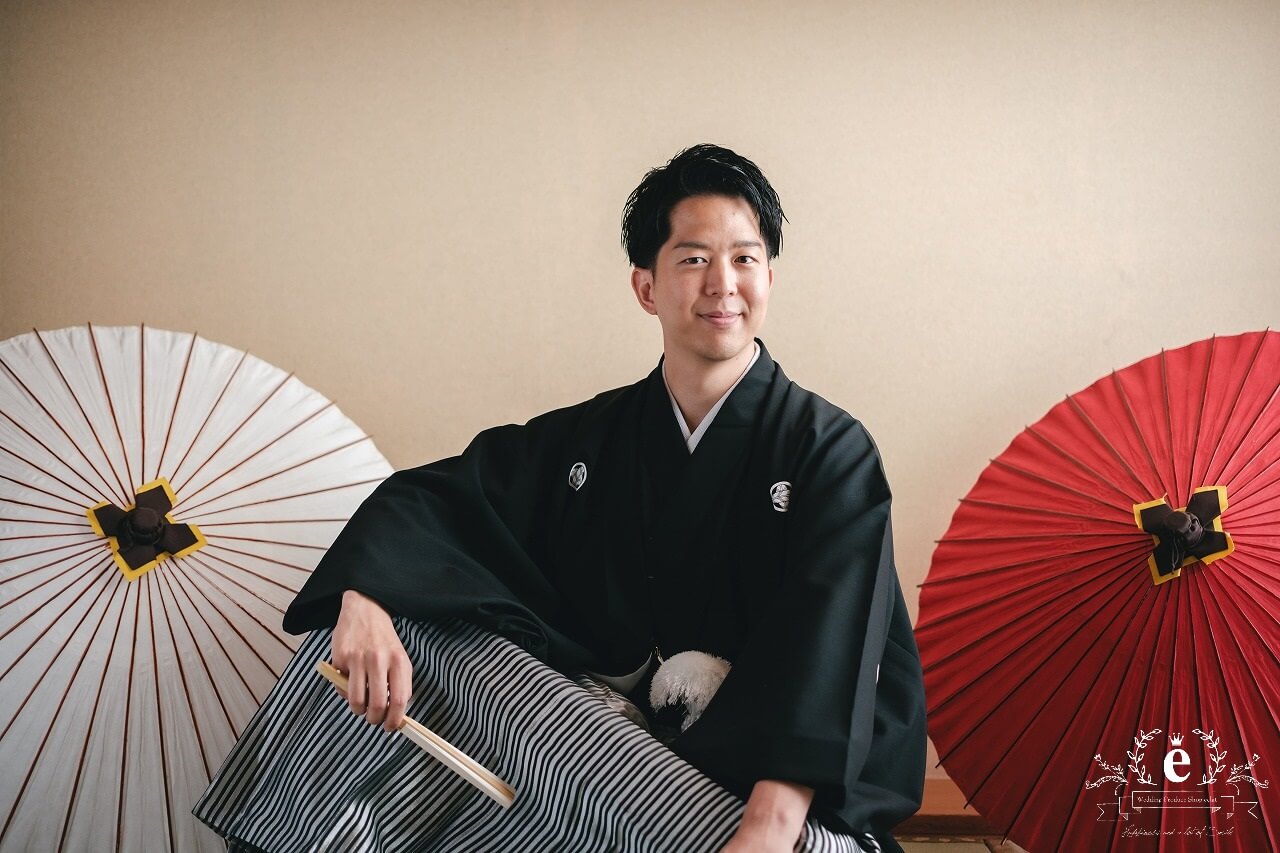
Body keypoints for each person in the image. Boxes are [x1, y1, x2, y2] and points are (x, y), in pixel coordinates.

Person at [284, 144, 925, 852]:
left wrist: (768, 827)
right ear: (646, 286)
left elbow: (830, 646)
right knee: (383, 637)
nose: (723, 283)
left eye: (745, 258)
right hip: (611, 760)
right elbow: (439, 499)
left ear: (770, 275)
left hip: (767, 797)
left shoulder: (829, 451)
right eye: (692, 259)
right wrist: (366, 599)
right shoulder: (595, 438)